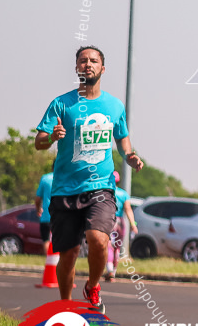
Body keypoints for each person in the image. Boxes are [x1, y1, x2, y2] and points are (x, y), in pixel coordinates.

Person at [34, 46, 144, 311]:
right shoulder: (62, 103)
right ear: (76, 68)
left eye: (93, 61)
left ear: (102, 69)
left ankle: (93, 285)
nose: (88, 64)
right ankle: (65, 307)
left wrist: (130, 156)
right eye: (83, 61)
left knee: (98, 239)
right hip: (64, 189)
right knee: (69, 254)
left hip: (101, 187)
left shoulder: (114, 106)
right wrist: (51, 137)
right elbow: (38, 141)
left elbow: (124, 142)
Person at [106, 171, 138, 281]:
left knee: (109, 246)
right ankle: (114, 271)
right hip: (120, 222)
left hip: (108, 220)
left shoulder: (107, 193)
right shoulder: (124, 194)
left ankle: (109, 270)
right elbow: (128, 210)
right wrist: (133, 224)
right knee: (117, 247)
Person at [34, 172, 53, 255]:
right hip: (61, 215)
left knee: (46, 240)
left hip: (46, 215)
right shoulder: (65, 177)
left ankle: (50, 262)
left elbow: (38, 199)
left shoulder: (45, 178)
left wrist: (38, 210)